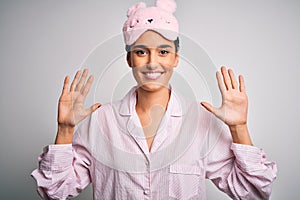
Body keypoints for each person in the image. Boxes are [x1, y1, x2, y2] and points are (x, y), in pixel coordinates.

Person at [31, 0, 277, 199]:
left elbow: (254, 193)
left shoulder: (200, 121)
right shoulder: (101, 121)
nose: (152, 61)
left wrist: (239, 128)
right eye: (141, 52)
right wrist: (64, 130)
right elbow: (55, 192)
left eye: (163, 51)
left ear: (175, 58)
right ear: (129, 60)